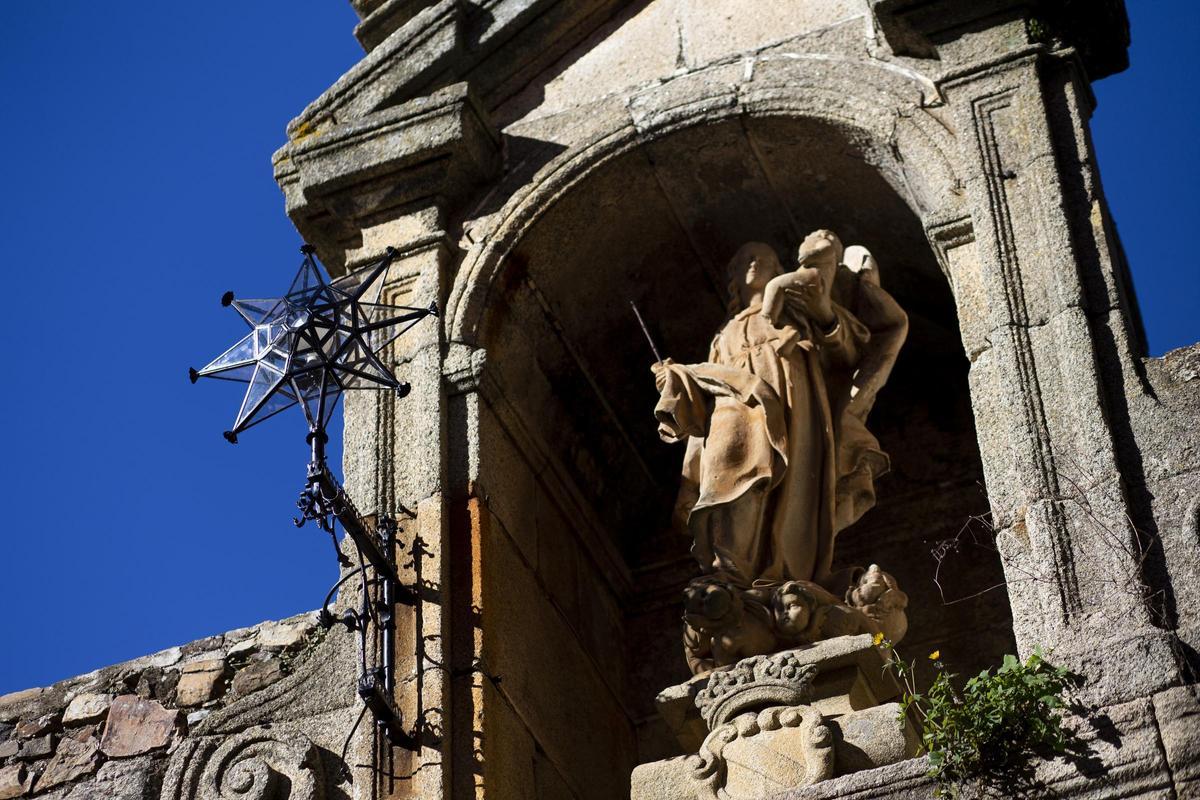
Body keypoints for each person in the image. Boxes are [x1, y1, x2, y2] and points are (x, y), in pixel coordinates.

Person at [653, 231, 904, 594]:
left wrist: (824, 314)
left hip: (792, 406)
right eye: (745, 260)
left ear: (778, 269)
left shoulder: (793, 305)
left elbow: (848, 356)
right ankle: (729, 570)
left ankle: (782, 572)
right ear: (734, 279)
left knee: (790, 482)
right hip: (734, 407)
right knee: (728, 477)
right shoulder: (723, 334)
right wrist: (677, 379)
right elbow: (705, 394)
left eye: (764, 258)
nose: (754, 263)